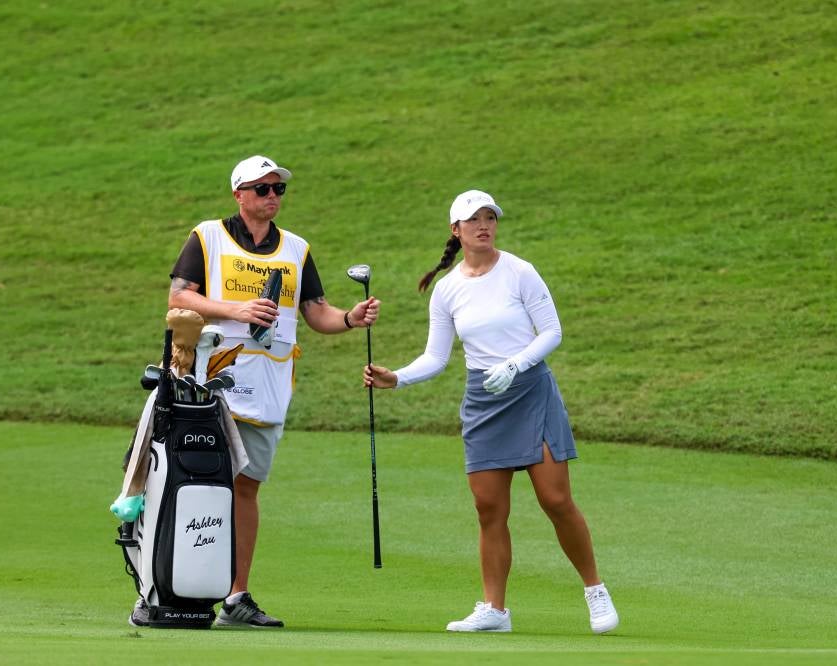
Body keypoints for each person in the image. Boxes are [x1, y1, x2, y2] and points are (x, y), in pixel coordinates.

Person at [131, 155, 380, 628]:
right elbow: (179, 297)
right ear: (239, 195)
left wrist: (350, 319)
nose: (272, 196)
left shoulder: (297, 250)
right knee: (191, 483)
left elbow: (316, 312)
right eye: (262, 189)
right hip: (208, 385)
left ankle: (235, 597)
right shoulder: (207, 237)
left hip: (267, 389)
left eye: (278, 189)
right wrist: (236, 311)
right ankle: (167, 587)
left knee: (247, 489)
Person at [363, 190, 618, 634]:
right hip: (484, 401)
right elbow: (437, 357)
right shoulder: (447, 290)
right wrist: (397, 377)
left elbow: (552, 332)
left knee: (555, 500)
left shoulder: (520, 271)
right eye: (473, 219)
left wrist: (516, 364)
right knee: (488, 509)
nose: (484, 225)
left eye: (490, 217)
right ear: (455, 230)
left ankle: (595, 591)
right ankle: (495, 610)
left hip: (530, 390)